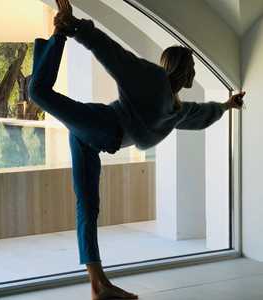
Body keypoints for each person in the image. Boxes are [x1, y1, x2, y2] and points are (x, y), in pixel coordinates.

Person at [29, 0, 246, 299]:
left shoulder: (174, 108)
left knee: (89, 207)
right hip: (100, 124)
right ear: (182, 68)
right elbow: (115, 55)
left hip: (94, 138)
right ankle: (59, 33)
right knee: (38, 92)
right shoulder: (151, 80)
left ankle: (98, 285)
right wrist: (76, 27)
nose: (195, 71)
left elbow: (200, 113)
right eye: (192, 66)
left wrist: (226, 105)